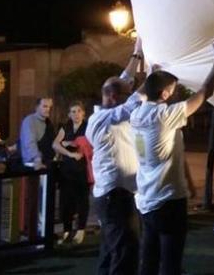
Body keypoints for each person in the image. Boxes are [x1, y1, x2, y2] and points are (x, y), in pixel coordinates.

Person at [132, 30, 214, 275]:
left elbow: (144, 88)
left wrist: (153, 68)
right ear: (165, 94)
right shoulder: (165, 116)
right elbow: (205, 93)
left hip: (146, 200)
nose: (175, 93)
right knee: (170, 263)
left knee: (149, 260)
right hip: (168, 201)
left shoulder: (136, 112)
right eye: (173, 90)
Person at [86, 36, 145, 275]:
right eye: (125, 94)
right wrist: (156, 77)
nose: (129, 92)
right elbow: (133, 100)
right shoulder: (101, 119)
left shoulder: (111, 108)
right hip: (114, 197)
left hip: (119, 195)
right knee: (125, 251)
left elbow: (124, 81)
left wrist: (137, 53)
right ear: (112, 98)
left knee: (112, 250)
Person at [53, 101, 90, 245]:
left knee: (82, 200)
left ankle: (81, 230)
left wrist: (70, 144)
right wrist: (69, 152)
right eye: (73, 112)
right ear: (69, 114)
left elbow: (89, 144)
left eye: (79, 111)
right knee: (65, 201)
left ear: (83, 113)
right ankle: (67, 230)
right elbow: (55, 144)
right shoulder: (65, 126)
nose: (76, 114)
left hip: (82, 168)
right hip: (67, 169)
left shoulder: (87, 126)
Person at [19, 97, 55, 169]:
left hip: (46, 162)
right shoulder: (30, 121)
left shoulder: (48, 123)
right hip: (33, 163)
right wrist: (37, 159)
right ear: (37, 107)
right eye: (45, 106)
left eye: (49, 107)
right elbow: (29, 142)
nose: (48, 109)